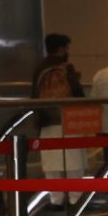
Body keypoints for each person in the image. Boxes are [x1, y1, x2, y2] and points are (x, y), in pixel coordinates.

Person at [32, 34, 84, 207]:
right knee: (74, 161)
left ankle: (56, 199)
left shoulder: (39, 68)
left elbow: (34, 95)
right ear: (61, 49)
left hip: (47, 121)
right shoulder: (67, 68)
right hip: (69, 120)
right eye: (67, 48)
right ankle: (75, 198)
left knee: (51, 163)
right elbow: (77, 93)